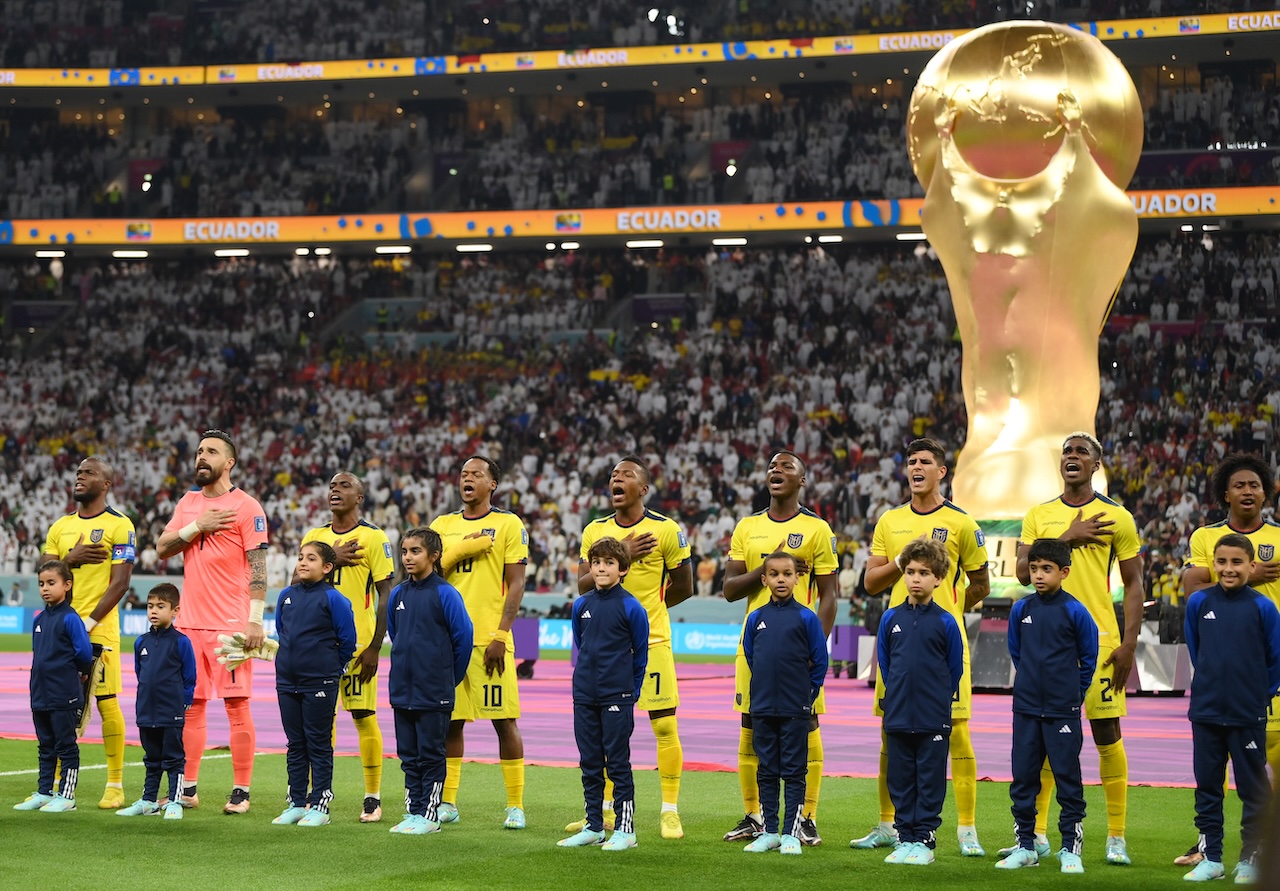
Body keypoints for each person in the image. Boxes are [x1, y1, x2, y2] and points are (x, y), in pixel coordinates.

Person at [1012, 432, 1144, 865]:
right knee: (1047, 737)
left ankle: (1117, 836)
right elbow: (1018, 571)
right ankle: (1038, 836)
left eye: (1081, 451)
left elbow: (1135, 583)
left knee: (1107, 734)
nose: (1071, 456)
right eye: (1066, 451)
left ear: (1096, 465)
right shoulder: (1039, 515)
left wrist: (1128, 643)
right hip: (1047, 644)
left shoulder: (1117, 517)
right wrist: (1067, 537)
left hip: (1102, 643)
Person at [853, 438, 991, 855]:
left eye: (925, 461)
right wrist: (899, 562)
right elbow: (870, 583)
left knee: (958, 735)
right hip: (898, 645)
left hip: (941, 645)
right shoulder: (889, 521)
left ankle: (966, 830)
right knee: (889, 733)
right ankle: (887, 825)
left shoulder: (963, 523)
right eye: (911, 461)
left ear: (940, 472)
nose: (916, 467)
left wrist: (945, 613)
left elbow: (981, 583)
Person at [569, 456, 692, 839]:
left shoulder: (666, 529)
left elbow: (685, 587)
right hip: (603, 648)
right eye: (613, 475)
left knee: (664, 724)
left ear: (644, 488)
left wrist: (640, 614)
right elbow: (582, 586)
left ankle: (669, 810)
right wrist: (622, 551)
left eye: (627, 474)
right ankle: (604, 813)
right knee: (605, 733)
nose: (616, 479)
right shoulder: (595, 530)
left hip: (650, 640)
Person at [722, 451, 838, 846]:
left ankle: (806, 816)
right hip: (755, 642)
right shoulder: (747, 527)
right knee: (751, 725)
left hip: (797, 648)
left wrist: (814, 648)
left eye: (787, 466)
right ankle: (756, 816)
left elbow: (829, 596)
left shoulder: (817, 529)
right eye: (772, 466)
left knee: (806, 723)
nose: (777, 470)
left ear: (802, 480)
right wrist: (767, 567)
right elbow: (730, 590)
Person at [155, 429, 270, 814]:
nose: (201, 457)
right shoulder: (189, 503)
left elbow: (258, 567)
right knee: (191, 706)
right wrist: (197, 526)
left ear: (229, 462)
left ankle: (241, 791)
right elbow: (162, 548)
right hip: (189, 626)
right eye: (199, 451)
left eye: (211, 452)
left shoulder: (248, 506)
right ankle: (188, 787)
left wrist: (255, 620)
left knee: (237, 707)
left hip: (231, 626)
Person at [1176, 454, 1280, 867]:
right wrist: (1251, 573)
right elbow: (1192, 584)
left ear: (1266, 490)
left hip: (1266, 667)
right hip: (1225, 674)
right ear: (1225, 493)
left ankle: (1261, 848)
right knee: (1213, 773)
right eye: (1239, 485)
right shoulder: (1206, 536)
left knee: (1265, 766)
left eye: (1255, 484)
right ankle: (1210, 848)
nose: (1248, 491)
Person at [429, 456, 530, 829]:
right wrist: (462, 549)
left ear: (493, 485)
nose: (467, 479)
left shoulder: (508, 524)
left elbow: (516, 583)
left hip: (489, 637)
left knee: (504, 720)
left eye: (476, 475)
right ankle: (448, 802)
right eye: (463, 474)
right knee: (450, 724)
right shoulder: (442, 525)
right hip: (448, 639)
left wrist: (502, 634)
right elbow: (428, 570)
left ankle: (515, 805)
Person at [997, 539, 1099, 874]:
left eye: (1046, 569)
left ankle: (1070, 847)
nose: (1038, 575)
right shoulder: (1021, 610)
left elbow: (1088, 659)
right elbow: (1017, 654)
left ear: (1064, 572)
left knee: (1068, 781)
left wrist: (1072, 694)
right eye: (1034, 568)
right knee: (1023, 780)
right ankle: (1025, 845)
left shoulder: (1075, 611)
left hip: (1062, 711)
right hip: (1025, 709)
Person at [40, 457, 136, 809]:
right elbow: (45, 570)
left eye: (89, 473)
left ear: (107, 484)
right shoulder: (60, 527)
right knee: (56, 705)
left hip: (98, 628)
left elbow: (121, 582)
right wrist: (71, 557)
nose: (80, 477)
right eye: (79, 472)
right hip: (58, 628)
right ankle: (51, 783)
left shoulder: (120, 525)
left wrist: (88, 623)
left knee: (106, 701)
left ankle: (115, 785)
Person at [301, 471, 395, 823]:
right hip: (317, 646)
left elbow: (387, 592)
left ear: (360, 497)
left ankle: (372, 797)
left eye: (344, 486)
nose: (334, 491)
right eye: (331, 486)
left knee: (363, 716)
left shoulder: (374, 537)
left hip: (357, 646)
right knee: (318, 721)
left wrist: (375, 646)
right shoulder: (315, 536)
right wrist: (332, 558)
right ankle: (317, 793)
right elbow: (298, 578)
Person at [876, 539, 964, 866]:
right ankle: (905, 837)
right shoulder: (890, 619)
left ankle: (924, 841)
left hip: (932, 717)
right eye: (910, 571)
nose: (915, 579)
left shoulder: (946, 622)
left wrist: (934, 697)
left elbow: (954, 669)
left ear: (938, 578)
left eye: (924, 573)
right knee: (900, 779)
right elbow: (886, 665)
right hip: (898, 714)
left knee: (929, 780)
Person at [558, 536, 649, 851]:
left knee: (618, 762)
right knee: (590, 761)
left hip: (617, 696)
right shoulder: (581, 604)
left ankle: (626, 830)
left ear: (622, 569)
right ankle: (594, 826)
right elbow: (582, 645)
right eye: (596, 562)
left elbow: (640, 655)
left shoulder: (631, 607)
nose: (601, 568)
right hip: (584, 694)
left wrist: (630, 691)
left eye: (609, 563)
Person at [386, 527, 473, 836]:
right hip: (402, 689)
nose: (408, 557)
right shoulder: (398, 593)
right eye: (405, 551)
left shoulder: (446, 593)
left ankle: (431, 814)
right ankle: (414, 810)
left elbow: (463, 639)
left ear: (434, 556)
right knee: (408, 755)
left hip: (434, 689)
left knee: (431, 753)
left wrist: (448, 677)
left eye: (415, 551)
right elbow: (396, 635)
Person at [741, 551, 828, 856]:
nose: (781, 579)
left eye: (787, 574)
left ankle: (791, 833)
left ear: (796, 578)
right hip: (763, 707)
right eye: (774, 574)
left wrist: (807, 694)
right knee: (766, 769)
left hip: (795, 709)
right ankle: (768, 831)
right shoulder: (756, 618)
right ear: (764, 580)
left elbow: (820, 661)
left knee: (793, 771)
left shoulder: (807, 617)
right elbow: (752, 657)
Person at [272, 541, 357, 828]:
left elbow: (347, 641)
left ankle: (320, 804)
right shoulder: (286, 596)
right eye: (300, 558)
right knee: (295, 744)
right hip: (287, 681)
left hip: (319, 680)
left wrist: (331, 669)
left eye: (311, 558)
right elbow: (281, 630)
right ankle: (296, 803)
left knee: (318, 743)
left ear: (328, 567)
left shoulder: (334, 599)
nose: (303, 563)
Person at [15, 560, 93, 812]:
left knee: (65, 744)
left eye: (51, 583)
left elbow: (84, 653)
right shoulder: (39, 619)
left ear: (67, 585)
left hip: (63, 693)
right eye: (41, 584)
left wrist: (77, 675)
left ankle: (67, 796)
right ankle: (44, 791)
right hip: (40, 692)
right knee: (45, 744)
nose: (45, 588)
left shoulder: (70, 619)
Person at [117, 583, 196, 820]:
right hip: (146, 710)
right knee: (151, 759)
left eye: (161, 606)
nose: (153, 611)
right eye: (150, 606)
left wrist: (184, 699)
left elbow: (189, 675)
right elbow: (140, 673)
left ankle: (174, 801)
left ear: (175, 611)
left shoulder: (181, 642)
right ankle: (149, 801)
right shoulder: (141, 642)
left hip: (170, 709)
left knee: (173, 758)